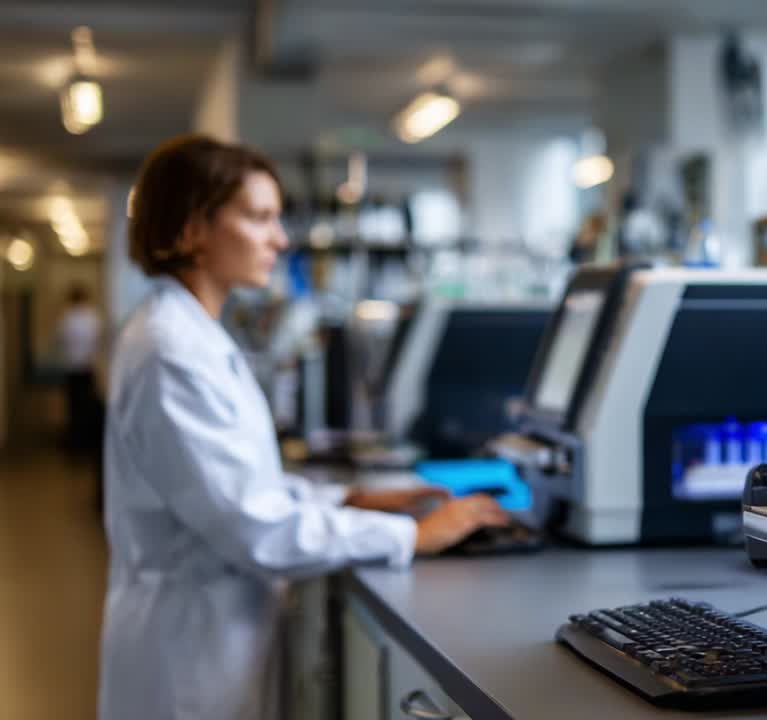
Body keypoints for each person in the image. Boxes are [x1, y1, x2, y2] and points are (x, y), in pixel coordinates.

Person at [98, 135, 510, 720]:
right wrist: (411, 538)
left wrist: (353, 496)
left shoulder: (189, 333)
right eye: (260, 218)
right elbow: (253, 527)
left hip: (210, 634)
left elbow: (236, 485)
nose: (280, 239)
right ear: (193, 228)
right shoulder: (171, 350)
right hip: (187, 658)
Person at [56, 283, 104, 455]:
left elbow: (60, 340)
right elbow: (97, 341)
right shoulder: (92, 317)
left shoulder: (67, 318)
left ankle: (76, 443)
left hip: (72, 368)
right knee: (86, 406)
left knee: (74, 407)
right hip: (87, 367)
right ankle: (85, 442)